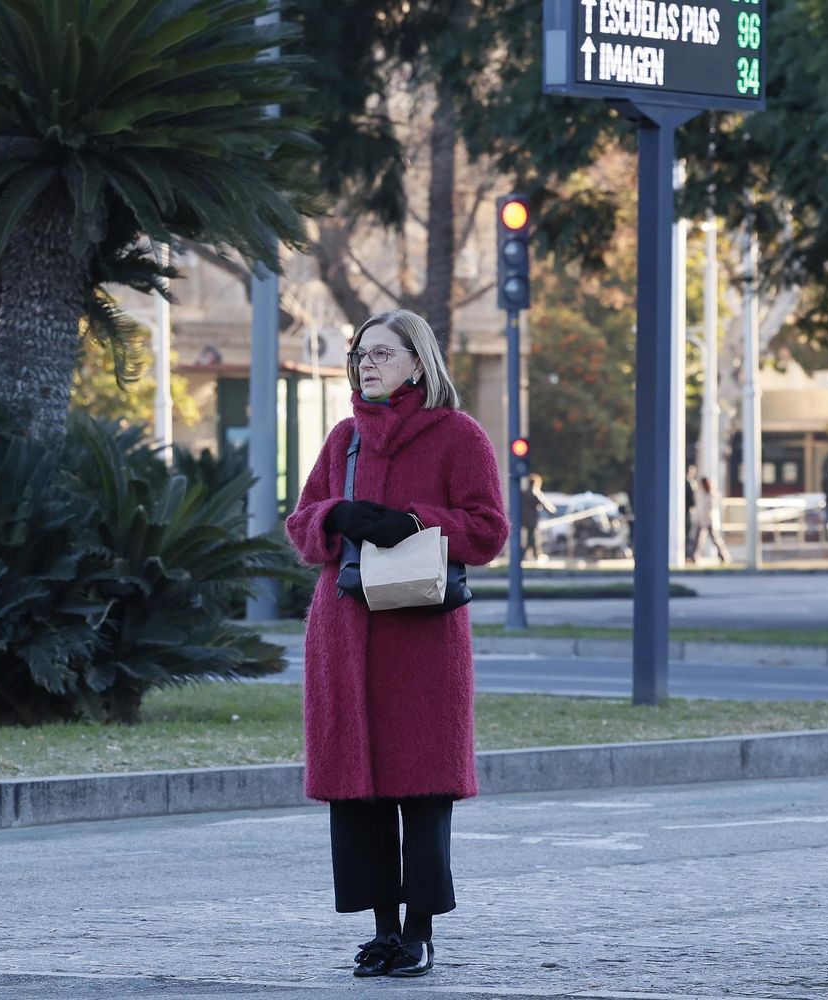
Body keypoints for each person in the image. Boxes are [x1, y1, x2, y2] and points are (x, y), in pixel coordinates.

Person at [284, 310, 508, 979]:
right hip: (345, 636)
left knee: (422, 789)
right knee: (360, 791)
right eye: (360, 355)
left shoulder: (458, 436)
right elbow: (300, 527)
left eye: (381, 353)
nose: (367, 364)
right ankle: (382, 931)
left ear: (418, 360)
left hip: (422, 640)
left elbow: (488, 530)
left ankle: (420, 932)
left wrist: (414, 521)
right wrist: (336, 516)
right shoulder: (345, 438)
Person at [688, 477, 730, 563]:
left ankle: (724, 556)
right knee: (698, 540)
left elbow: (708, 509)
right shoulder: (702, 494)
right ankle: (694, 557)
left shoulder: (711, 495)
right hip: (702, 521)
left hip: (709, 522)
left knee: (715, 539)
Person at [520, 473, 556, 562]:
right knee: (533, 538)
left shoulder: (523, 493)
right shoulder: (535, 493)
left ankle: (531, 554)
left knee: (530, 537)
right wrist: (553, 512)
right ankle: (534, 555)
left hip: (523, 519)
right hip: (532, 520)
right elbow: (544, 504)